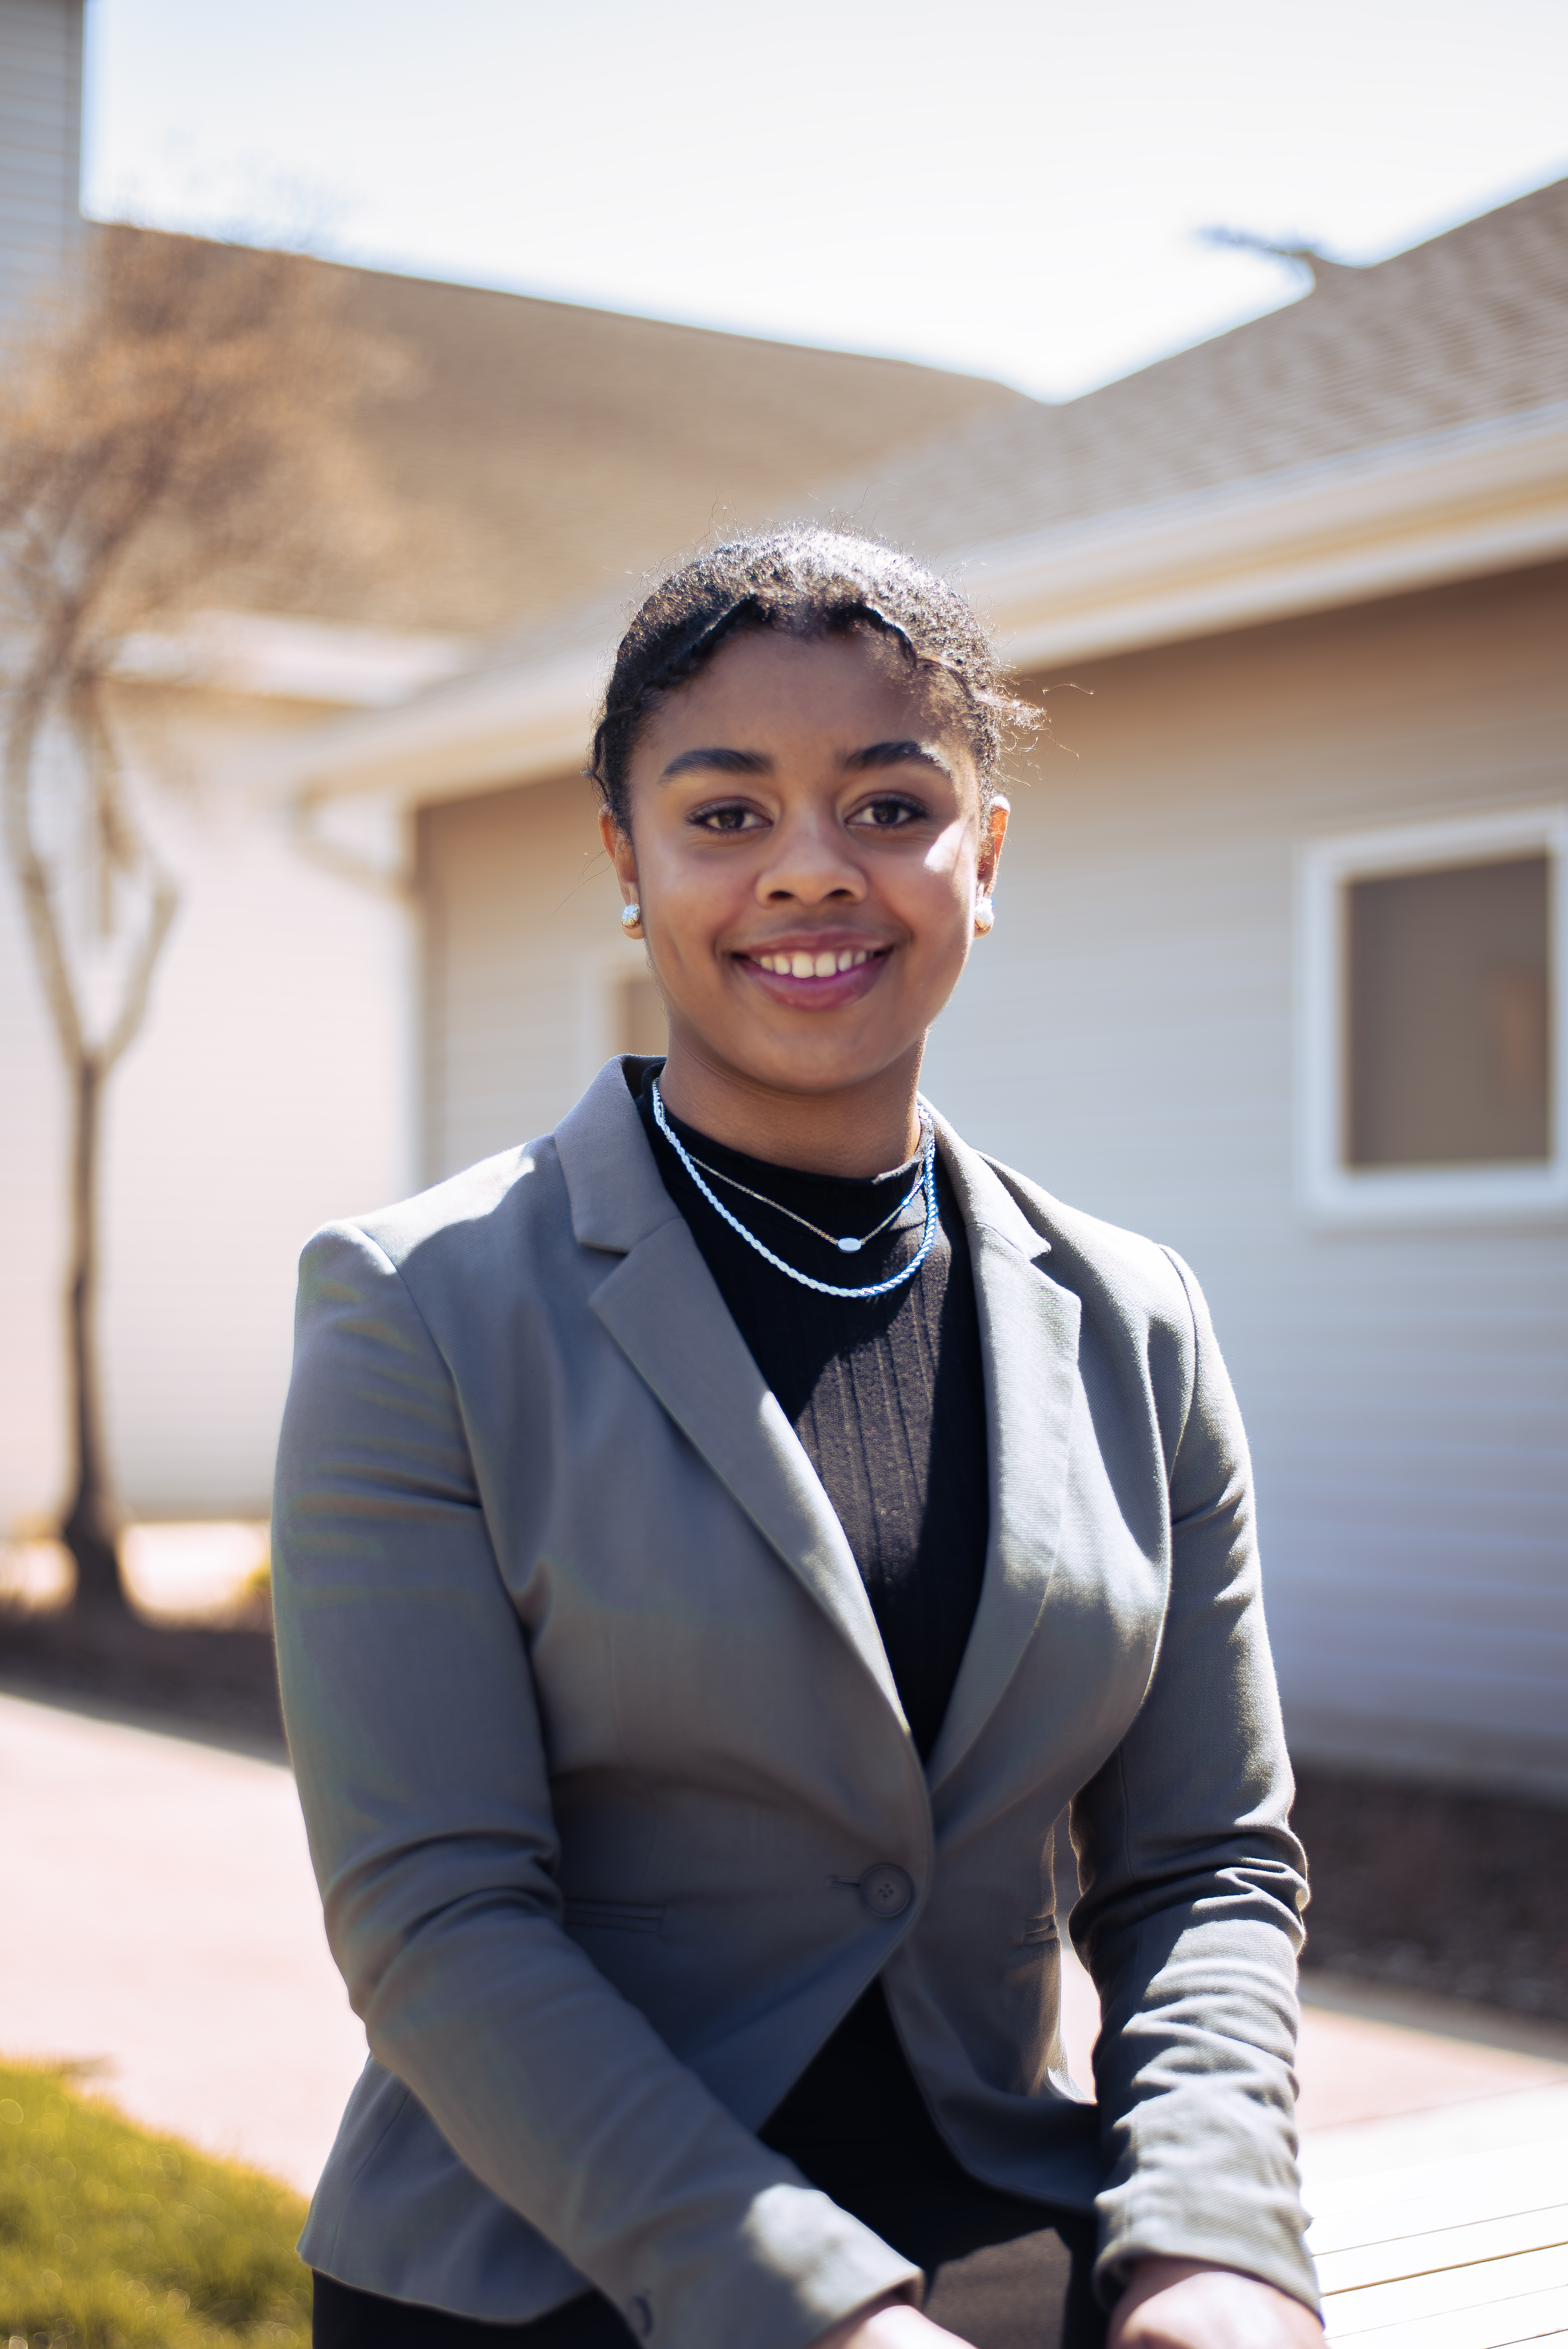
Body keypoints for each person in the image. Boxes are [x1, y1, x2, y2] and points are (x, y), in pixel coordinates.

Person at [273, 530, 1321, 2349]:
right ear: (628, 864)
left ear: (985, 856)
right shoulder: (417, 1309)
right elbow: (438, 1916)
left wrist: (1214, 2237)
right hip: (549, 2271)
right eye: (726, 814)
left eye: (892, 806)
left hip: (1005, 2238)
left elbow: (1205, 1860)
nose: (814, 869)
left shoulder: (1135, 1319)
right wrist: (820, 2312)